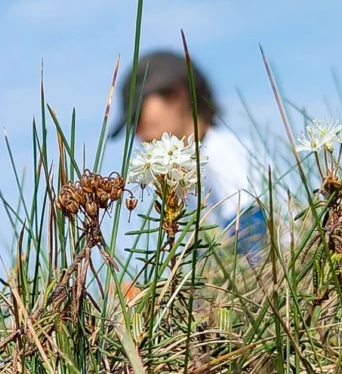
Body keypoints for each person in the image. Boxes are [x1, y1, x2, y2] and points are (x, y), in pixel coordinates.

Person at [108, 49, 271, 260]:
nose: (137, 130)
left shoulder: (221, 155)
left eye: (138, 114)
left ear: (177, 95)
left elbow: (255, 247)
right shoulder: (197, 166)